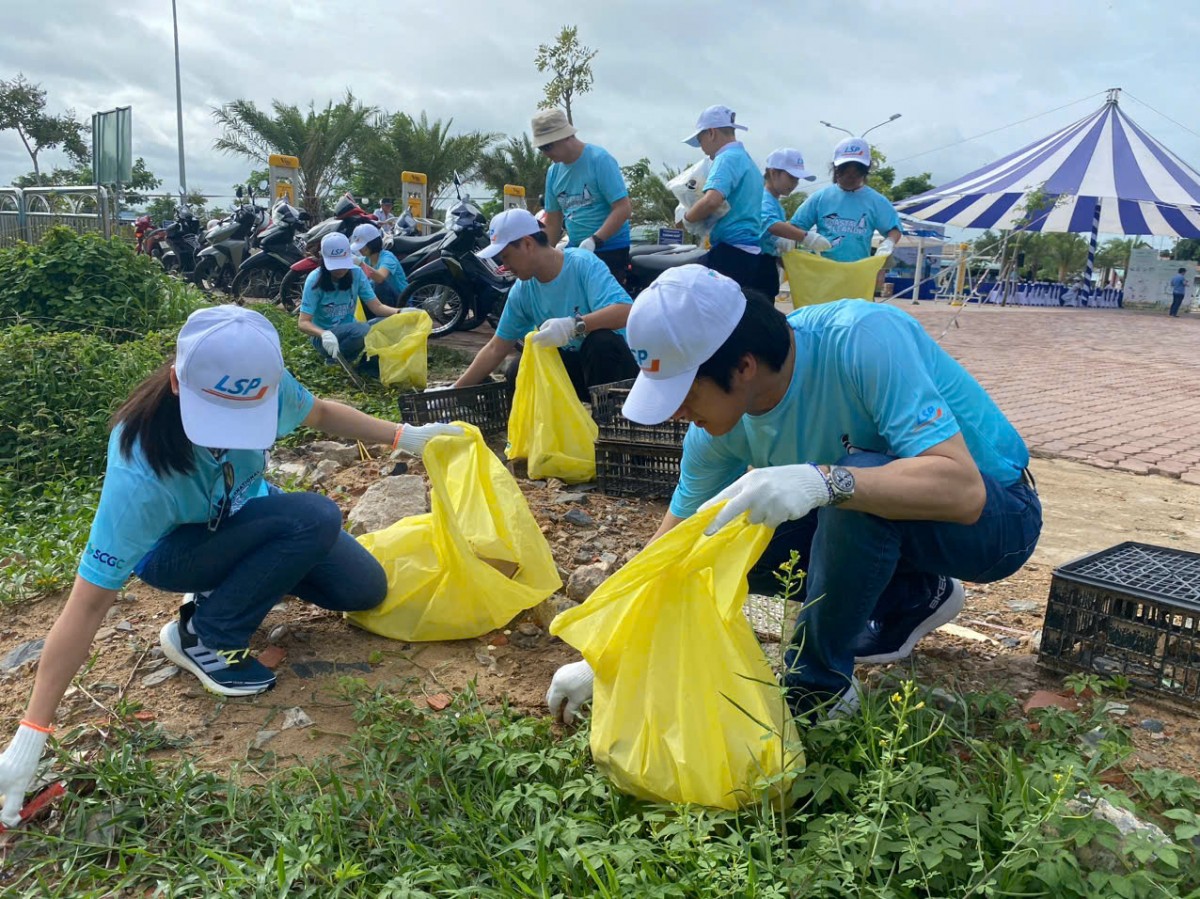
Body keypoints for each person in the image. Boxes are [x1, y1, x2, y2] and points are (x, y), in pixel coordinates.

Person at [0, 305, 461, 826]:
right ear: (177, 382)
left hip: (243, 517)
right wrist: (30, 736)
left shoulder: (261, 381)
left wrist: (407, 436)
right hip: (178, 552)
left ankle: (233, 591)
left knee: (363, 588)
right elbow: (85, 607)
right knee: (313, 515)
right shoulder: (142, 475)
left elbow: (323, 413)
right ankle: (205, 633)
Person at [546, 265, 1042, 724]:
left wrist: (825, 480)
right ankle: (912, 596)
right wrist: (607, 654)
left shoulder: (861, 340)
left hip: (998, 520)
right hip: (900, 521)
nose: (677, 415)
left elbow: (963, 491)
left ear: (742, 367)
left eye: (684, 396)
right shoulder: (716, 430)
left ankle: (818, 687)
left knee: (852, 482)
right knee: (722, 532)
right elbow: (673, 548)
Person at [453, 208, 637, 400]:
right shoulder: (523, 289)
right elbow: (496, 348)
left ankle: (607, 420)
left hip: (615, 374)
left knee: (600, 343)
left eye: (506, 256)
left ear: (527, 244)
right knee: (518, 368)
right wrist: (453, 391)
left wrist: (573, 326)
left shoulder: (582, 264)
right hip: (573, 374)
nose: (504, 265)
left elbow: (625, 311)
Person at [533, 108, 632, 285]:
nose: (545, 153)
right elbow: (554, 222)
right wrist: (542, 254)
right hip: (577, 248)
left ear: (565, 137)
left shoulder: (599, 160)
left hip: (610, 247)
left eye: (548, 146)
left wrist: (596, 239)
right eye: (541, 148)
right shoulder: (553, 173)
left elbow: (623, 208)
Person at [680, 105, 764, 291]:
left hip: (730, 251)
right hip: (749, 250)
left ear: (711, 133)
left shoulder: (726, 158)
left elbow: (712, 200)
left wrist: (688, 218)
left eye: (700, 140)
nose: (702, 148)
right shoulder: (747, 161)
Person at [298, 232, 401, 375]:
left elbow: (377, 307)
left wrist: (400, 313)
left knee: (391, 323)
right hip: (324, 338)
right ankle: (335, 360)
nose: (340, 270)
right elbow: (303, 322)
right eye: (334, 265)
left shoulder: (357, 274)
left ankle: (369, 366)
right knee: (362, 330)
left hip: (350, 330)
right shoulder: (314, 280)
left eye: (343, 264)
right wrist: (323, 334)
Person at [790, 137, 903, 264]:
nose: (851, 177)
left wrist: (889, 242)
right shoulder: (821, 198)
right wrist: (806, 238)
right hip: (822, 270)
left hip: (857, 271)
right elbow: (794, 226)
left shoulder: (876, 201)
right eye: (846, 172)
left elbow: (894, 229)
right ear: (836, 169)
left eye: (857, 172)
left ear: (866, 171)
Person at [758, 147, 830, 299]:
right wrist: (807, 237)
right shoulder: (763, 198)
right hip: (757, 265)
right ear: (773, 172)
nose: (795, 183)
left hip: (767, 266)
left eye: (797, 179)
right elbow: (771, 224)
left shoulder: (776, 204)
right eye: (791, 177)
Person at [350, 222, 408, 304]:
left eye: (362, 246)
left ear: (371, 243)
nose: (359, 249)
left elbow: (380, 278)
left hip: (400, 300)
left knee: (380, 286)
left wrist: (360, 264)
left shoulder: (387, 257)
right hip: (381, 302)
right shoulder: (366, 259)